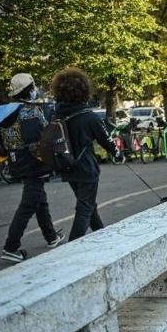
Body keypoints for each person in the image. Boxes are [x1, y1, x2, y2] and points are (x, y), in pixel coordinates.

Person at [0, 73, 63, 262]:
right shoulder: (32, 111)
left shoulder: (1, 112)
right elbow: (41, 137)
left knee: (39, 198)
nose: (35, 89)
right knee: (29, 202)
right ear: (28, 89)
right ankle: (11, 247)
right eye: (33, 86)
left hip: (16, 161)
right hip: (34, 161)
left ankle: (51, 236)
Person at [52, 68, 121, 242]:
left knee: (89, 205)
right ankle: (72, 247)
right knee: (85, 208)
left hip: (67, 167)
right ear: (84, 91)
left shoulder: (55, 115)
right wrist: (118, 155)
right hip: (86, 169)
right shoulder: (89, 117)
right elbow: (107, 141)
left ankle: (103, 236)